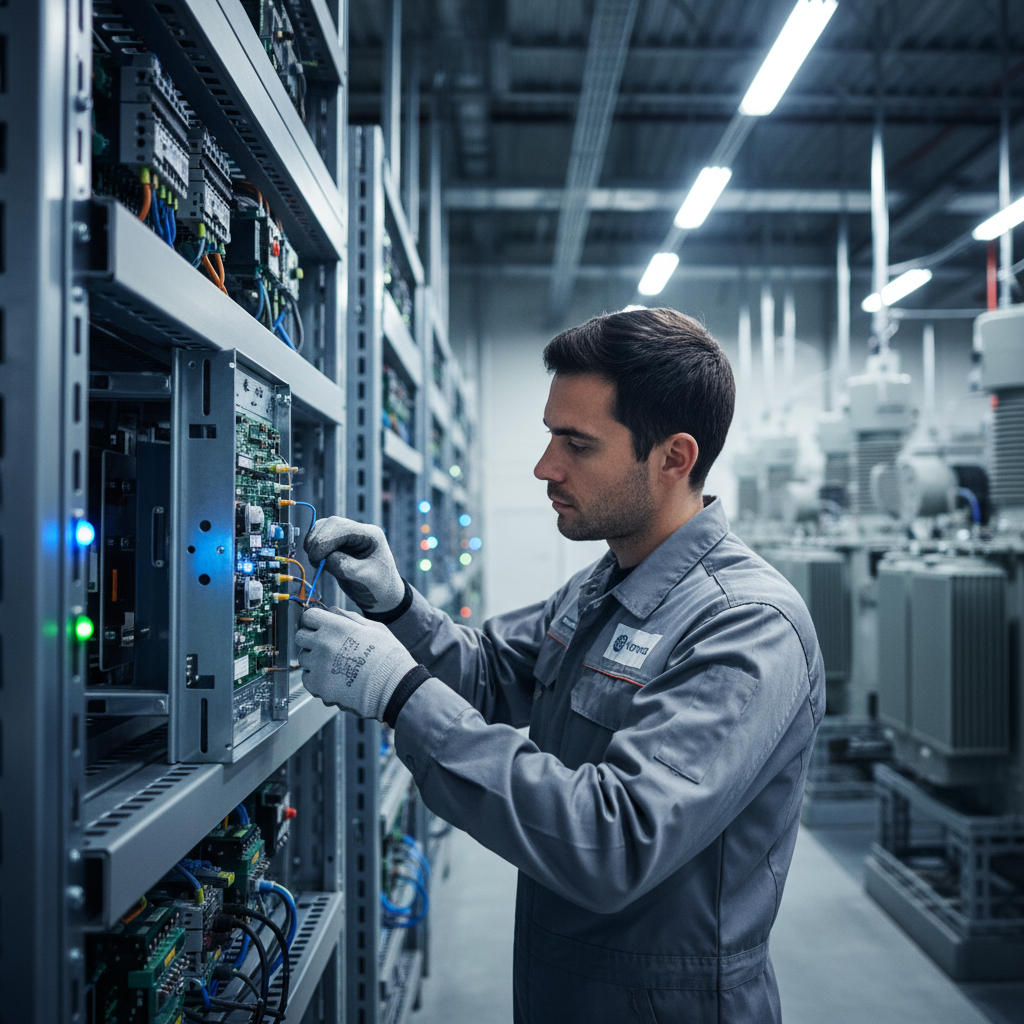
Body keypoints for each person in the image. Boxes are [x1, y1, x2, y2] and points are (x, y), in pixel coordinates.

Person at [296, 307, 825, 1024]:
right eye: (551, 436)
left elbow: (615, 839)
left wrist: (399, 692)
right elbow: (491, 675)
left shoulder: (746, 625)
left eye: (577, 444)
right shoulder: (605, 583)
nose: (546, 467)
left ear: (674, 457)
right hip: (562, 992)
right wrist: (397, 606)